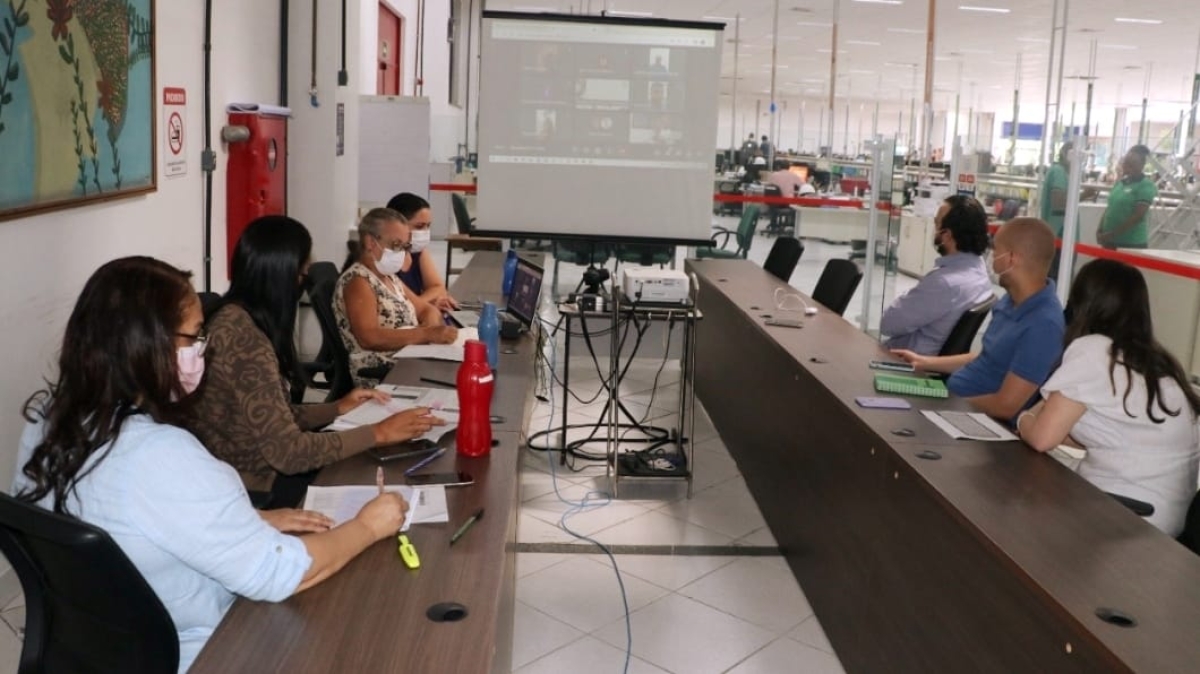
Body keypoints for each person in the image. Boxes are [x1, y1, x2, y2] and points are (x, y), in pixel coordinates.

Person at [12, 256, 410, 671]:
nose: (202, 348)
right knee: (373, 625)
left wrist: (245, 520)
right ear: (147, 344)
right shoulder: (161, 455)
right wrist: (368, 525)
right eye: (194, 336)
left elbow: (120, 517)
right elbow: (280, 575)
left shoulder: (46, 421)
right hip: (202, 652)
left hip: (96, 649)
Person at [186, 216, 444, 505]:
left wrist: (335, 409)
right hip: (254, 484)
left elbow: (270, 415)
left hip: (259, 469)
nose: (302, 286)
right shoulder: (243, 340)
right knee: (381, 481)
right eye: (301, 276)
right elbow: (288, 451)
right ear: (280, 277)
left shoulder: (239, 319)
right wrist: (378, 432)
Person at [1017, 259, 1200, 536]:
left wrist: (1023, 418)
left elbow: (1043, 438)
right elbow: (1108, 433)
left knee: (1016, 502)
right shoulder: (1156, 360)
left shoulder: (1094, 350)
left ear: (1082, 303)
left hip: (1127, 514)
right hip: (1165, 516)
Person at [892, 217, 1065, 421]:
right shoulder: (1010, 301)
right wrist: (925, 362)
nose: (991, 258)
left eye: (995, 250)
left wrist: (945, 401)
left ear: (1011, 259)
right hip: (957, 406)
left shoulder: (1044, 325)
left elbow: (1005, 406)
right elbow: (986, 358)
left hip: (979, 420)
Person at [336, 207, 458, 385]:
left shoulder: (388, 277)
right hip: (383, 375)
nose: (402, 252)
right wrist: (426, 335)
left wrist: (431, 338)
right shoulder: (358, 282)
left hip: (408, 361)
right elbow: (369, 338)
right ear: (370, 242)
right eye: (396, 245)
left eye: (405, 246)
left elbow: (426, 309)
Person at [880, 195, 994, 355]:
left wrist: (910, 295)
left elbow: (888, 324)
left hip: (907, 362)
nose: (934, 229)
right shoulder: (979, 270)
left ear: (946, 235)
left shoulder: (943, 283)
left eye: (936, 223)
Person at [386, 192, 458, 311]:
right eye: (419, 226)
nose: (425, 232)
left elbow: (438, 288)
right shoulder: (384, 258)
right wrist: (425, 305)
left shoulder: (417, 251)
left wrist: (418, 305)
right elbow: (390, 306)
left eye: (428, 226)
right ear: (397, 225)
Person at [1098, 144, 1156, 249]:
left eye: (1133, 164)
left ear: (1142, 165)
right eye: (1126, 162)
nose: (1128, 166)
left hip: (1131, 243)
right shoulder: (1120, 183)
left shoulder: (1145, 185)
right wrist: (1100, 229)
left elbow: (1138, 216)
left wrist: (1112, 234)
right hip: (1109, 241)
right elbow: (1110, 207)